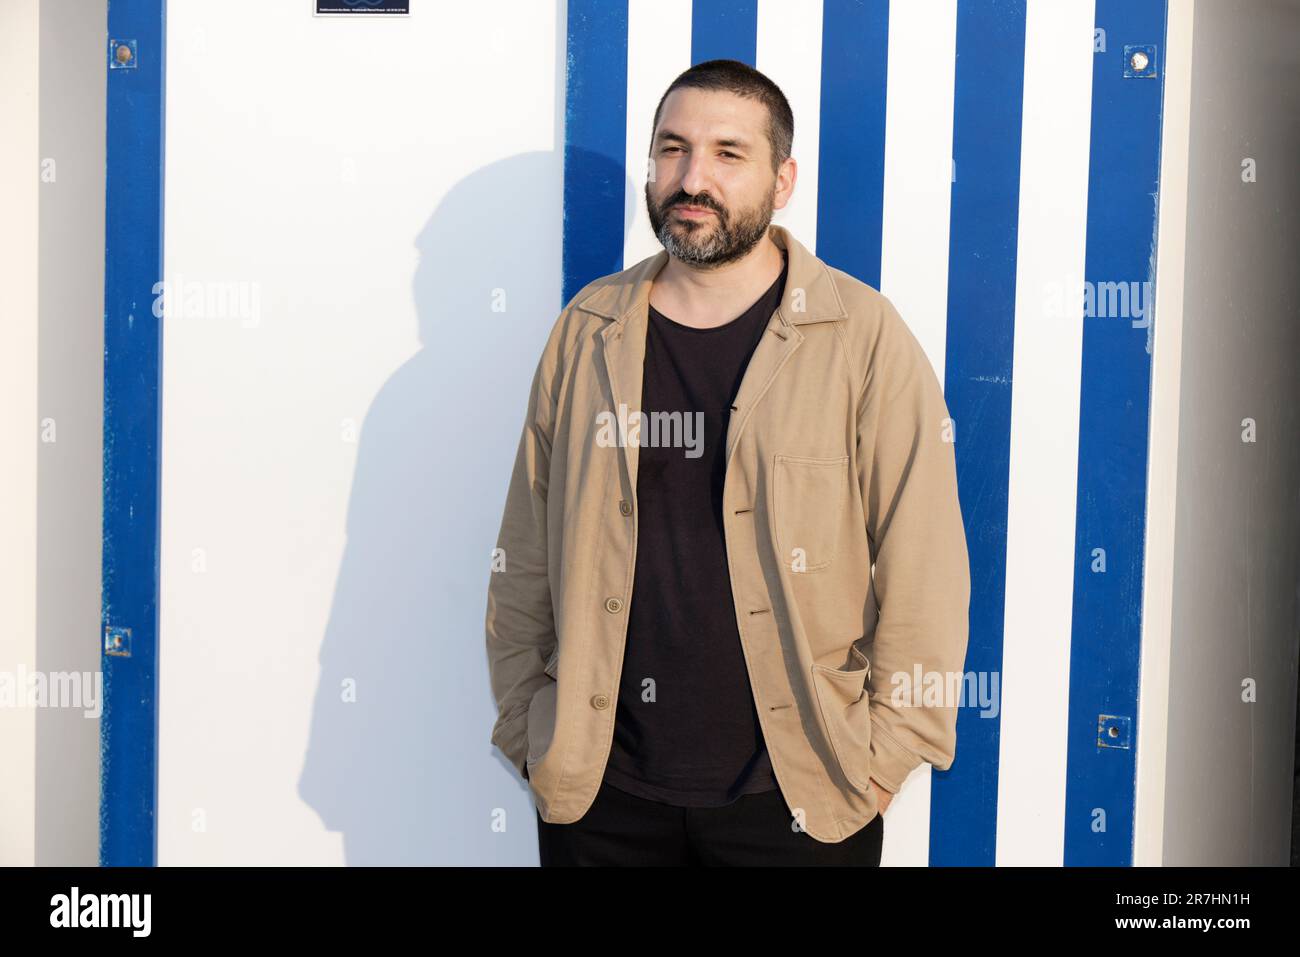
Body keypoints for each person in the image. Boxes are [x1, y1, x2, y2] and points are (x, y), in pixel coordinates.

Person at [486, 59, 970, 866]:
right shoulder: (588, 328)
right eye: (672, 149)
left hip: (799, 798)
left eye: (727, 153)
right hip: (599, 798)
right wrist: (528, 725)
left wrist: (883, 761)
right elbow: (526, 543)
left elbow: (925, 560)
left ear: (783, 180)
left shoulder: (861, 335)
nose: (692, 177)